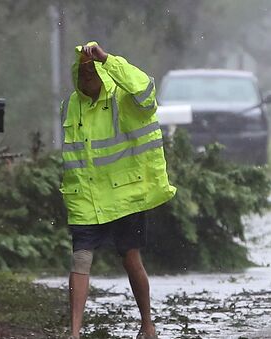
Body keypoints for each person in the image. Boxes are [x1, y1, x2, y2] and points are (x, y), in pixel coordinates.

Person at [59, 41, 176, 339]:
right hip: (85, 196)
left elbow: (147, 93)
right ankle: (74, 333)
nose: (87, 77)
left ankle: (147, 323)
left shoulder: (123, 99)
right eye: (82, 72)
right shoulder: (71, 104)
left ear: (102, 72)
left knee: (130, 258)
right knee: (80, 259)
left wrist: (109, 59)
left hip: (124, 195)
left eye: (92, 71)